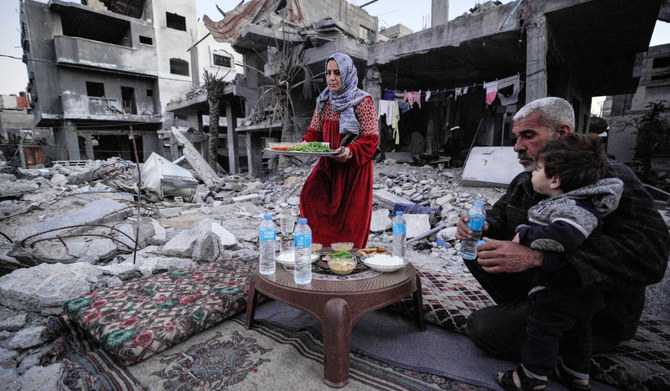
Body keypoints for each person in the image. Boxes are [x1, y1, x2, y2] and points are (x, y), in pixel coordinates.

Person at [456, 97, 669, 387]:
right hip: (549, 291)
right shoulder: (528, 179)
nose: (517, 147)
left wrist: (538, 257)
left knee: (482, 328)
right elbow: (503, 213)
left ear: (562, 133)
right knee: (477, 252)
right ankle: (533, 315)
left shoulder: (612, 183)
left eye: (528, 136)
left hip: (596, 310)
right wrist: (480, 224)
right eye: (516, 137)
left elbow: (651, 258)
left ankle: (549, 353)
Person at [496, 133, 624, 391]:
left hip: (562, 288)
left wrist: (528, 235)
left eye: (539, 170)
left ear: (555, 180)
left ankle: (530, 376)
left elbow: (564, 237)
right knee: (578, 331)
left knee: (542, 331)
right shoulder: (575, 202)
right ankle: (576, 375)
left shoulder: (573, 208)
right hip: (582, 289)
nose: (533, 174)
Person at [299, 53, 379, 249]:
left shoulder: (362, 101)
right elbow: (314, 133)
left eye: (337, 73)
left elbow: (371, 138)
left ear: (348, 74)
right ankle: (321, 252)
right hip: (328, 167)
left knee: (350, 220)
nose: (331, 78)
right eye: (328, 73)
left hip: (353, 172)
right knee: (309, 196)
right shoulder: (324, 101)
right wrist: (303, 144)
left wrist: (350, 151)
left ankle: (346, 262)